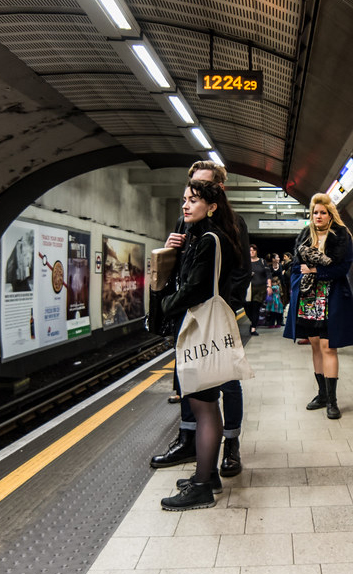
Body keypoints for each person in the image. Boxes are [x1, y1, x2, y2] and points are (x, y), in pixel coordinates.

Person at [150, 161, 250, 479]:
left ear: (217, 191)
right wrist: (171, 249)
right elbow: (184, 270)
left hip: (216, 315)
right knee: (188, 381)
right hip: (190, 315)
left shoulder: (233, 224)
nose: (192, 197)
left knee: (226, 380)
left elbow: (240, 271)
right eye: (191, 188)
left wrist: (224, 310)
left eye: (202, 187)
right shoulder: (185, 223)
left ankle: (230, 446)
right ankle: (188, 441)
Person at [283, 193, 353, 419]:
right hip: (308, 299)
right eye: (315, 212)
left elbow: (342, 269)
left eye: (322, 212)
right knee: (315, 346)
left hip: (331, 298)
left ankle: (333, 401)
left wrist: (316, 270)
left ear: (330, 214)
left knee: (329, 347)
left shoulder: (341, 236)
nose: (318, 216)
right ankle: (322, 394)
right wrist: (305, 273)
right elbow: (296, 268)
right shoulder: (304, 236)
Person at [245, 244, 272, 336]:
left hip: (260, 289)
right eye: (250, 250)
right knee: (247, 308)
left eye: (253, 250)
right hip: (248, 289)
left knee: (256, 308)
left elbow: (268, 274)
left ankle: (253, 328)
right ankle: (254, 321)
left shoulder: (262, 261)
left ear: (256, 251)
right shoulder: (246, 262)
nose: (252, 252)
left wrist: (269, 286)